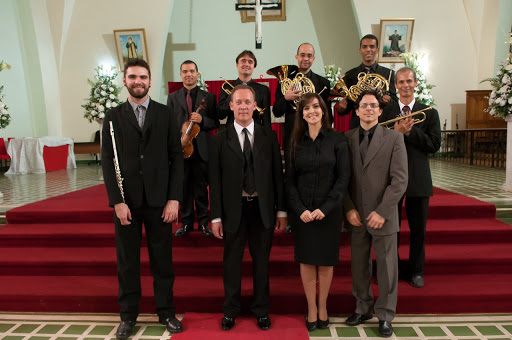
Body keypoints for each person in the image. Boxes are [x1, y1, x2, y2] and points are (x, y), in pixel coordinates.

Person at [101, 59, 184, 338]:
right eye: (133, 76)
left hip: (160, 201)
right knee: (127, 263)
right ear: (125, 80)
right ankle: (128, 315)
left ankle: (166, 312)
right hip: (128, 201)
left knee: (163, 261)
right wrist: (117, 201)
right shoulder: (112, 117)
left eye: (143, 77)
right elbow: (107, 161)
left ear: (150, 81)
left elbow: (176, 158)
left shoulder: (165, 114)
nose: (138, 81)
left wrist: (174, 199)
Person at [209, 85, 287, 331]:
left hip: (262, 209)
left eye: (248, 102)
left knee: (261, 262)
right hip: (233, 209)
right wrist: (216, 217)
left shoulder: (269, 136)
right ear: (231, 106)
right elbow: (215, 180)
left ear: (255, 105)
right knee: (231, 262)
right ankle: (230, 310)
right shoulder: (220, 139)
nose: (243, 106)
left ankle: (261, 310)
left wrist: (281, 211)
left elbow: (277, 176)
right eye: (238, 102)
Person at [344, 90, 408, 338]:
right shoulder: (346, 139)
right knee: (359, 266)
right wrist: (348, 208)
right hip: (356, 215)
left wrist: (382, 211)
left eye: (373, 105)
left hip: (384, 215)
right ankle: (362, 308)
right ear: (357, 111)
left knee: (387, 268)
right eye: (363, 106)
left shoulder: (394, 139)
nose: (368, 109)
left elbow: (400, 181)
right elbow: (343, 179)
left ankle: (385, 315)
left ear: (380, 111)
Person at [286, 93, 350, 331]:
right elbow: (289, 181)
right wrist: (300, 209)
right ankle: (311, 308)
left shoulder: (337, 140)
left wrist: (326, 208)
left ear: (323, 111)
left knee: (324, 262)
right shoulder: (295, 142)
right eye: (306, 108)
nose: (311, 111)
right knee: (306, 261)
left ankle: (322, 306)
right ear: (301, 113)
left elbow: (343, 178)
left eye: (316, 107)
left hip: (328, 211)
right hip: (303, 212)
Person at [381, 67, 441, 288]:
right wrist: (397, 133)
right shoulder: (386, 112)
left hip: (418, 177)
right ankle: (392, 270)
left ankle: (416, 271)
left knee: (418, 230)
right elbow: (377, 143)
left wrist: (411, 131)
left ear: (415, 84)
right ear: (395, 86)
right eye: (400, 82)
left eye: (409, 81)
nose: (405, 85)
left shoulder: (429, 112)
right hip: (391, 178)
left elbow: (435, 145)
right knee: (391, 229)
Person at [167, 60, 218, 237]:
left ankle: (204, 223)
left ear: (197, 74)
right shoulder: (172, 98)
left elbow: (215, 123)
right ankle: (187, 223)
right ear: (180, 75)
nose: (188, 74)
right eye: (185, 71)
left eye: (192, 71)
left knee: (202, 188)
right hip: (181, 150)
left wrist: (202, 121)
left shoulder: (208, 97)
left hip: (202, 150)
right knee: (184, 188)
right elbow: (169, 124)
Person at [273, 43, 331, 155]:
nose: (305, 59)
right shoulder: (284, 81)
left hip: (316, 135)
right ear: (297, 57)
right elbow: (276, 112)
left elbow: (327, 114)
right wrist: (286, 98)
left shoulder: (323, 83)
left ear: (313, 59)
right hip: (292, 135)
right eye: (302, 55)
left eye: (309, 56)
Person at [336, 34, 397, 129]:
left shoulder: (389, 74)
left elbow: (395, 102)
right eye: (365, 47)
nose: (368, 50)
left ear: (377, 50)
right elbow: (348, 107)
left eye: (372, 46)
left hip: (382, 123)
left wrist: (389, 100)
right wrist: (340, 109)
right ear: (360, 51)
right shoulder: (350, 75)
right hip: (357, 125)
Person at [217, 50, 271, 128]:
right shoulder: (227, 87)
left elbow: (266, 120)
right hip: (231, 134)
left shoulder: (263, 90)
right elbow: (220, 114)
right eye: (243, 61)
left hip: (256, 134)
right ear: (237, 65)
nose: (246, 64)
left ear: (254, 67)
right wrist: (233, 94)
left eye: (250, 62)